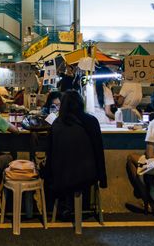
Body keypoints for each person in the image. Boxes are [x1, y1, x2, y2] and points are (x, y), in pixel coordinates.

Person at [44, 90, 107, 218]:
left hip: (61, 176)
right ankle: (76, 207)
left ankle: (64, 207)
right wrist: (103, 179)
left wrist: (49, 175)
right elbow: (98, 151)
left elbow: (50, 154)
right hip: (87, 176)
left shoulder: (56, 123)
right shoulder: (91, 121)